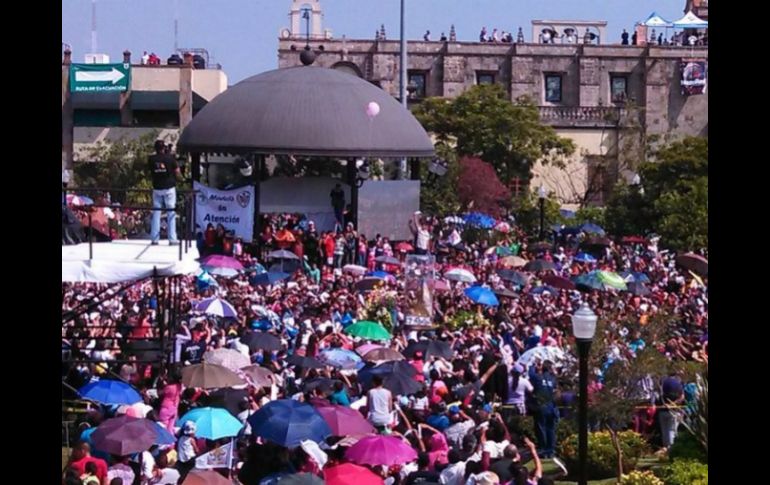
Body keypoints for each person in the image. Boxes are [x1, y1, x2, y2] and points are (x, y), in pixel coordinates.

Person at [148, 139, 180, 245]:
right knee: (171, 213)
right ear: (164, 148)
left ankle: (154, 238)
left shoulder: (151, 159)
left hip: (157, 188)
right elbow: (177, 171)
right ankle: (172, 238)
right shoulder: (170, 158)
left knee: (156, 213)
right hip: (169, 188)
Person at [531, 360, 558, 458]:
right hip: (551, 406)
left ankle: (543, 449)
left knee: (541, 428)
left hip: (541, 406)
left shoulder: (537, 377)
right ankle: (551, 450)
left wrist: (534, 366)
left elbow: (531, 375)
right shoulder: (553, 379)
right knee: (550, 428)